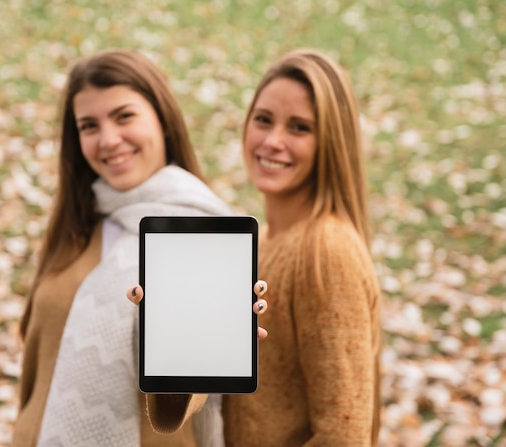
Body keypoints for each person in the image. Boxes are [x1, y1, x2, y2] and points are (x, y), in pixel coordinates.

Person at [12, 49, 268, 447]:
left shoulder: (199, 230)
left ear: (163, 120)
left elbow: (192, 395)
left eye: (124, 116)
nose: (109, 139)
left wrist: (197, 357)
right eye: (89, 125)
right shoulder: (81, 222)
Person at [129, 48, 382, 446]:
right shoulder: (261, 241)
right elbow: (219, 387)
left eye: (299, 128)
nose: (272, 141)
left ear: (331, 141)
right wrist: (169, 327)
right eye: (263, 120)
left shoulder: (326, 252)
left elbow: (343, 435)